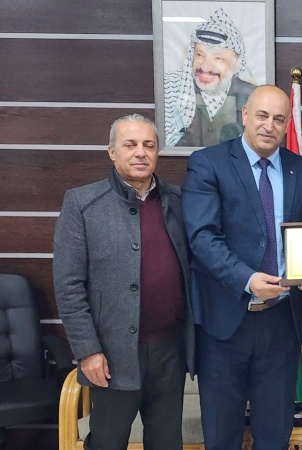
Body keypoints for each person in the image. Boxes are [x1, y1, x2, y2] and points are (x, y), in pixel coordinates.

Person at [181, 85, 302, 450]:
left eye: (278, 119)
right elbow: (202, 237)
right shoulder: (208, 163)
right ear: (244, 114)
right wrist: (247, 279)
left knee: (274, 435)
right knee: (222, 436)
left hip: (282, 322)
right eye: (261, 115)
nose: (268, 126)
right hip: (225, 323)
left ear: (286, 124)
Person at [53, 114, 194, 450]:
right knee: (107, 442)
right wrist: (88, 351)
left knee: (167, 443)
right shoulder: (83, 204)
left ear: (157, 152)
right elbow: (68, 286)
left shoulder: (179, 202)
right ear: (112, 152)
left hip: (170, 351)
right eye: (130, 145)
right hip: (111, 357)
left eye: (148, 145)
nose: (140, 153)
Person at [164, 8, 257, 147]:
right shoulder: (174, 90)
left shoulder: (252, 95)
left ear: (237, 63)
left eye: (218, 58)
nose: (205, 67)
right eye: (200, 55)